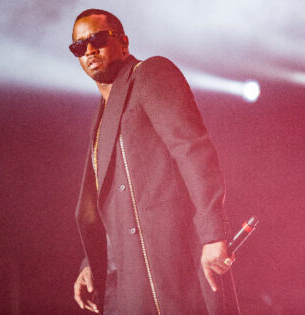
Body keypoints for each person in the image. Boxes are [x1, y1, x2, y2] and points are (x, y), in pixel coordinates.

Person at [70, 8, 240, 315]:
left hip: (172, 261)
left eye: (97, 39)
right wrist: (94, 262)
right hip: (131, 279)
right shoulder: (100, 115)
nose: (90, 49)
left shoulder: (150, 73)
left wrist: (214, 233)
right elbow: (109, 203)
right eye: (79, 46)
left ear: (123, 42)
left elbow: (194, 149)